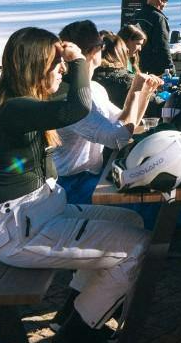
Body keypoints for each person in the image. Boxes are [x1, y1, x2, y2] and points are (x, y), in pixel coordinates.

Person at [0, 26, 150, 343]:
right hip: (21, 233)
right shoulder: (16, 108)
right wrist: (78, 62)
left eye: (62, 63)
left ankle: (72, 314)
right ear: (36, 65)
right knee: (139, 247)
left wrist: (77, 69)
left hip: (41, 215)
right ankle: (78, 336)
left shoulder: (24, 103)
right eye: (55, 63)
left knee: (129, 219)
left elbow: (72, 101)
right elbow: (76, 108)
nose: (60, 69)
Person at [54, 20, 161, 205]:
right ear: (94, 51)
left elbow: (127, 124)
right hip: (71, 186)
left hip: (91, 176)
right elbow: (118, 138)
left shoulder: (94, 87)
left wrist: (144, 93)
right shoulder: (72, 97)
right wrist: (135, 90)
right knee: (154, 205)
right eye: (101, 46)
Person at [133, 0, 174, 76]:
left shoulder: (137, 15)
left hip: (137, 66)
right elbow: (162, 45)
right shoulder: (158, 18)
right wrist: (170, 67)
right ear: (160, 0)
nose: (166, 3)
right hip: (155, 70)